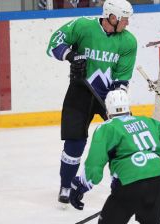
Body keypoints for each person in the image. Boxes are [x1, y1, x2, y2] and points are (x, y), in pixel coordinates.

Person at [46, 0, 138, 205]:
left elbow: (122, 78)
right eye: (124, 19)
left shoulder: (128, 42)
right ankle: (66, 185)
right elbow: (53, 44)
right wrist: (70, 55)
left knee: (122, 139)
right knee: (74, 142)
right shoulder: (83, 26)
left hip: (109, 97)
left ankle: (127, 184)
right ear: (111, 17)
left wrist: (117, 98)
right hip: (80, 91)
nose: (127, 23)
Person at [69, 89, 160, 224]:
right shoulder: (149, 122)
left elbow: (95, 163)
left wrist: (81, 185)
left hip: (127, 184)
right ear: (129, 108)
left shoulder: (107, 127)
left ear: (108, 112)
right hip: (156, 182)